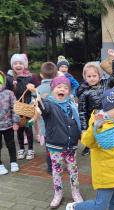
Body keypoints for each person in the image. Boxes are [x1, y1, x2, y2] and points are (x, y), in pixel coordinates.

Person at [66, 88, 114, 210]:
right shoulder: (98, 121)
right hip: (106, 173)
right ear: (106, 108)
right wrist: (95, 127)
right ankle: (75, 207)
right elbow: (87, 141)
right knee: (100, 205)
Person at [26, 77, 83, 208]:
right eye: (59, 87)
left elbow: (76, 121)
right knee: (57, 171)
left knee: (73, 170)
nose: (62, 89)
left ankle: (76, 192)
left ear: (69, 92)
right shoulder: (49, 104)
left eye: (65, 88)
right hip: (55, 145)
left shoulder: (72, 104)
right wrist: (35, 93)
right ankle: (58, 193)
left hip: (71, 145)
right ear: (52, 90)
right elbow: (40, 105)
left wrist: (79, 135)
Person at [76, 49, 114, 156]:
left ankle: (109, 148)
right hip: (93, 119)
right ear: (85, 77)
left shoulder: (106, 84)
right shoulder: (84, 91)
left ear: (99, 76)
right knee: (94, 138)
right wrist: (83, 129)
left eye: (94, 76)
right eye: (89, 76)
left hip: (108, 117)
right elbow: (82, 112)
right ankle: (90, 147)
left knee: (106, 136)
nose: (92, 79)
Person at [5, 54, 35, 160]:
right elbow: (6, 93)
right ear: (12, 65)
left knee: (29, 129)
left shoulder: (29, 77)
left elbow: (35, 92)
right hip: (16, 109)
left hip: (27, 108)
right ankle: (21, 149)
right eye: (16, 63)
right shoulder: (8, 78)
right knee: (19, 130)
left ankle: (31, 149)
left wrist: (32, 91)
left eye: (20, 63)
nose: (18, 65)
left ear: (24, 65)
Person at [36, 62, 58, 174]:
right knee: (58, 145)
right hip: (59, 124)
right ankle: (59, 164)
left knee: (49, 147)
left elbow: (33, 106)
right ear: (56, 75)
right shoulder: (58, 87)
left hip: (45, 126)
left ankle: (50, 167)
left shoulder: (38, 89)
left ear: (41, 75)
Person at [0, 70, 20, 175]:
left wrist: (16, 122)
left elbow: (15, 108)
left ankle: (13, 162)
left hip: (8, 125)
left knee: (11, 144)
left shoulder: (9, 93)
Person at [21, 54, 42, 143]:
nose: (24, 61)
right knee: (23, 119)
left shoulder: (32, 75)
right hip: (21, 101)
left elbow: (38, 88)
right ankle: (25, 136)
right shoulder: (14, 76)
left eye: (25, 59)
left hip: (32, 100)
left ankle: (38, 134)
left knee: (35, 118)